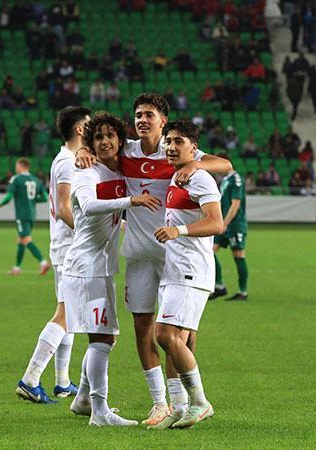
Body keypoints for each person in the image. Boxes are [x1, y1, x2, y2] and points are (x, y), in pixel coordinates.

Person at [74, 93, 232, 425]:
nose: (143, 120)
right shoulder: (127, 151)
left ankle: (181, 401)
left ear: (163, 120)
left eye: (149, 115)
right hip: (140, 254)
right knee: (144, 326)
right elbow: (102, 150)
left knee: (180, 331)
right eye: (138, 115)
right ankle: (160, 403)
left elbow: (226, 165)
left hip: (177, 255)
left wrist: (195, 163)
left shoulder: (176, 150)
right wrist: (84, 150)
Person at [62, 113, 161, 427]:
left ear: (120, 140)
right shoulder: (86, 172)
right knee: (102, 338)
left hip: (101, 267)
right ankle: (100, 412)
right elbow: (89, 206)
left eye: (110, 136)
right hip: (85, 267)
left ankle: (82, 400)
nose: (105, 142)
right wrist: (132, 201)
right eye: (98, 137)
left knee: (106, 336)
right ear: (91, 143)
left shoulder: (118, 168)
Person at [15, 106, 90, 405]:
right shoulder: (68, 163)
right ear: (80, 129)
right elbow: (63, 208)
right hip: (71, 248)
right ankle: (30, 379)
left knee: (69, 314)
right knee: (65, 314)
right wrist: (88, 234)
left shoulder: (67, 159)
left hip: (66, 247)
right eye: (89, 124)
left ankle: (62, 382)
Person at [151, 120, 223, 429]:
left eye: (178, 141)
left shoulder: (200, 178)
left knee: (164, 334)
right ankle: (180, 408)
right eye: (168, 141)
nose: (170, 146)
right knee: (175, 339)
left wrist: (177, 230)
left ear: (194, 148)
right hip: (175, 269)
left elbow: (216, 223)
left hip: (191, 270)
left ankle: (200, 401)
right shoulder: (177, 175)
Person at [0, 158, 50, 275]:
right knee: (21, 240)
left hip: (22, 214)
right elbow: (45, 198)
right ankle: (17, 268)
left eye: (17, 166)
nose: (16, 168)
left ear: (21, 166)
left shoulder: (16, 179)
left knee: (26, 239)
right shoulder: (36, 180)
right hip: (31, 214)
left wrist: (0, 204)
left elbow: (9, 197)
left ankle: (43, 263)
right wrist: (32, 199)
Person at [209, 153, 248, 301]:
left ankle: (243, 292)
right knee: (209, 251)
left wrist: (225, 223)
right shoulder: (225, 180)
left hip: (235, 224)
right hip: (222, 224)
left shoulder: (236, 179)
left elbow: (236, 204)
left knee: (238, 255)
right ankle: (220, 286)